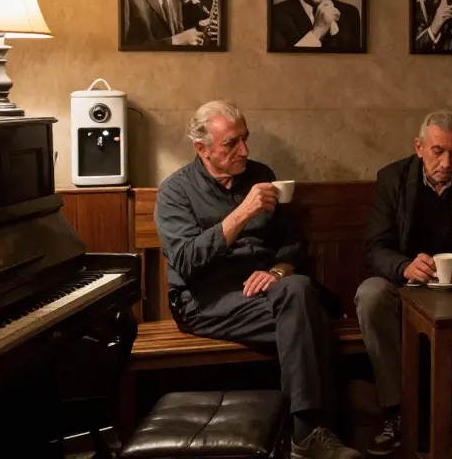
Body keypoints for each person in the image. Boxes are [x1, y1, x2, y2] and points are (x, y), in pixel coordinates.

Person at [154, 102, 360, 459]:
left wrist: (278, 271)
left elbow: (290, 242)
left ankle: (304, 434)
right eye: (231, 143)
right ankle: (311, 433)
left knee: (298, 291)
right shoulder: (176, 191)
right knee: (309, 311)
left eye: (244, 139)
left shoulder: (261, 174)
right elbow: (186, 261)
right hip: (206, 300)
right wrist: (243, 212)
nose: (244, 151)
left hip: (269, 294)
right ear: (202, 148)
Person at [356, 111, 452, 455]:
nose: (447, 163)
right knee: (370, 294)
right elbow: (375, 247)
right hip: (408, 284)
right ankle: (396, 411)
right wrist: (404, 266)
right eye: (438, 151)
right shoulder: (392, 179)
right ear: (419, 147)